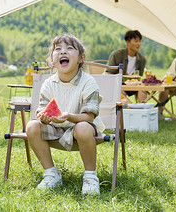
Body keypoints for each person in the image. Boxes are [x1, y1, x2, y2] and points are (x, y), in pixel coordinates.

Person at [26, 33, 104, 195]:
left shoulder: (88, 82)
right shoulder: (48, 83)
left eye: (69, 48)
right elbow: (42, 110)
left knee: (82, 127)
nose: (63, 52)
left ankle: (90, 176)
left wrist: (69, 116)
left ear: (81, 58)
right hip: (55, 130)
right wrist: (44, 117)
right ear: (52, 61)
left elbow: (89, 117)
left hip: (83, 130)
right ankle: (51, 174)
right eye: (58, 49)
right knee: (32, 125)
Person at [105, 30, 147, 102]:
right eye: (136, 41)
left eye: (140, 41)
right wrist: (120, 84)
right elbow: (109, 74)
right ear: (128, 42)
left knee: (142, 89)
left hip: (134, 85)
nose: (139, 44)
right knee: (120, 92)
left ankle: (141, 108)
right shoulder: (117, 54)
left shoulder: (142, 59)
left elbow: (139, 77)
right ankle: (130, 108)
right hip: (117, 84)